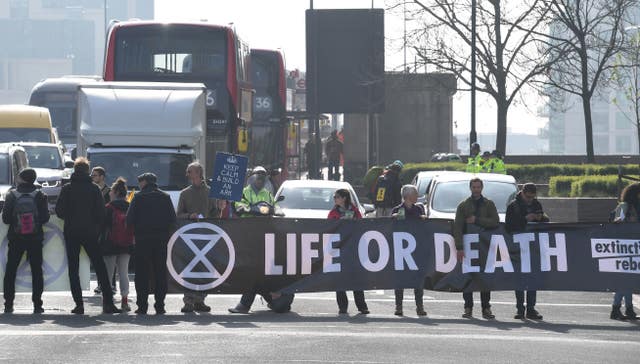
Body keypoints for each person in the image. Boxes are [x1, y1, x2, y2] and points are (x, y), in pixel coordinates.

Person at [55, 157, 121, 314]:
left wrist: (71, 217)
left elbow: (59, 211)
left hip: (71, 231)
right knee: (99, 266)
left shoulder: (67, 189)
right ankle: (108, 303)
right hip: (90, 232)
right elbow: (101, 213)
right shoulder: (94, 189)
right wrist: (96, 227)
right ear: (87, 171)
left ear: (74, 170)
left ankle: (79, 304)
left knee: (73, 267)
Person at [229, 166, 282, 313]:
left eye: (263, 177)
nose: (261, 179)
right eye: (258, 176)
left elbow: (276, 209)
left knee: (262, 270)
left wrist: (262, 209)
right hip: (248, 236)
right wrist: (261, 210)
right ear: (251, 177)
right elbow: (240, 209)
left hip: (265, 237)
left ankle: (257, 302)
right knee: (251, 270)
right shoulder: (243, 192)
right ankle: (245, 304)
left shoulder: (268, 194)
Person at [126, 172, 177, 315]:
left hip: (142, 240)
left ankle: (142, 306)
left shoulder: (138, 197)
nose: (139, 185)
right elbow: (173, 220)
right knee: (160, 272)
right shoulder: (165, 197)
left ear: (145, 182)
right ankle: (160, 305)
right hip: (161, 240)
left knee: (142, 273)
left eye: (140, 182)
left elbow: (129, 220)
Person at [2, 168, 50, 314]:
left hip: (16, 238)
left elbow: (5, 219)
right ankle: (37, 304)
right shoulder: (40, 195)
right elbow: (45, 218)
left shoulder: (12, 195)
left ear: (22, 179)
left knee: (11, 270)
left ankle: (9, 304)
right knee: (36, 271)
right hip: (35, 238)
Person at [176, 162, 220, 313]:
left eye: (190, 171)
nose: (187, 174)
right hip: (189, 237)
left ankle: (200, 300)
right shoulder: (184, 193)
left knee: (204, 270)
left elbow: (215, 215)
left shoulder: (211, 192)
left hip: (207, 236)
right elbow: (179, 215)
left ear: (198, 173)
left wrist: (220, 208)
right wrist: (190, 215)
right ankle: (188, 301)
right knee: (189, 269)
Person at [453, 177, 499, 319]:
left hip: (485, 245)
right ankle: (468, 308)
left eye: (478, 187)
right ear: (470, 188)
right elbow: (458, 227)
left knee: (485, 277)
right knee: (468, 277)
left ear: (482, 188)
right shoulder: (463, 205)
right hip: (469, 245)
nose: (476, 189)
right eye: (474, 187)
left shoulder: (489, 204)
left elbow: (495, 221)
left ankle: (486, 308)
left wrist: (477, 220)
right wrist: (459, 247)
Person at [505, 183, 548, 320]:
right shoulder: (513, 206)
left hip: (533, 247)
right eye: (528, 197)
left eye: (532, 197)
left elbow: (546, 221)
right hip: (518, 246)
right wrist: (525, 219)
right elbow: (509, 226)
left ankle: (531, 308)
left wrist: (540, 218)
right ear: (522, 193)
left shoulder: (537, 204)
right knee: (519, 279)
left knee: (533, 278)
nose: (530, 199)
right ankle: (520, 308)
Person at [328, 188, 370, 315]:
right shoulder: (333, 213)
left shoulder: (354, 211)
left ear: (344, 198)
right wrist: (338, 223)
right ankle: (342, 307)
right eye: (334, 197)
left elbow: (361, 225)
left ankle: (362, 306)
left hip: (353, 248)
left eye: (336, 197)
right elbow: (328, 227)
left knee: (356, 277)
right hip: (339, 248)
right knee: (340, 278)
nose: (334, 199)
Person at [391, 184, 427, 317]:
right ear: (408, 196)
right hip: (401, 249)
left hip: (417, 248)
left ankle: (419, 306)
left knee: (418, 278)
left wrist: (423, 219)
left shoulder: (419, 209)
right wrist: (393, 218)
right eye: (415, 194)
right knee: (400, 278)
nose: (417, 196)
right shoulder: (397, 210)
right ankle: (398, 306)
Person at [100, 177, 135, 312]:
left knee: (108, 274)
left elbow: (103, 226)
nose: (109, 193)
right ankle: (125, 301)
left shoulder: (108, 207)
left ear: (114, 192)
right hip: (126, 244)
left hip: (110, 244)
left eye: (111, 191)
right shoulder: (130, 206)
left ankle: (107, 301)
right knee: (123, 273)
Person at [610, 182, 640, 320]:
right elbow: (616, 222)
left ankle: (629, 309)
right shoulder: (625, 206)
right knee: (625, 279)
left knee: (628, 279)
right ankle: (616, 308)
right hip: (625, 246)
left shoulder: (632, 206)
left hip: (633, 245)